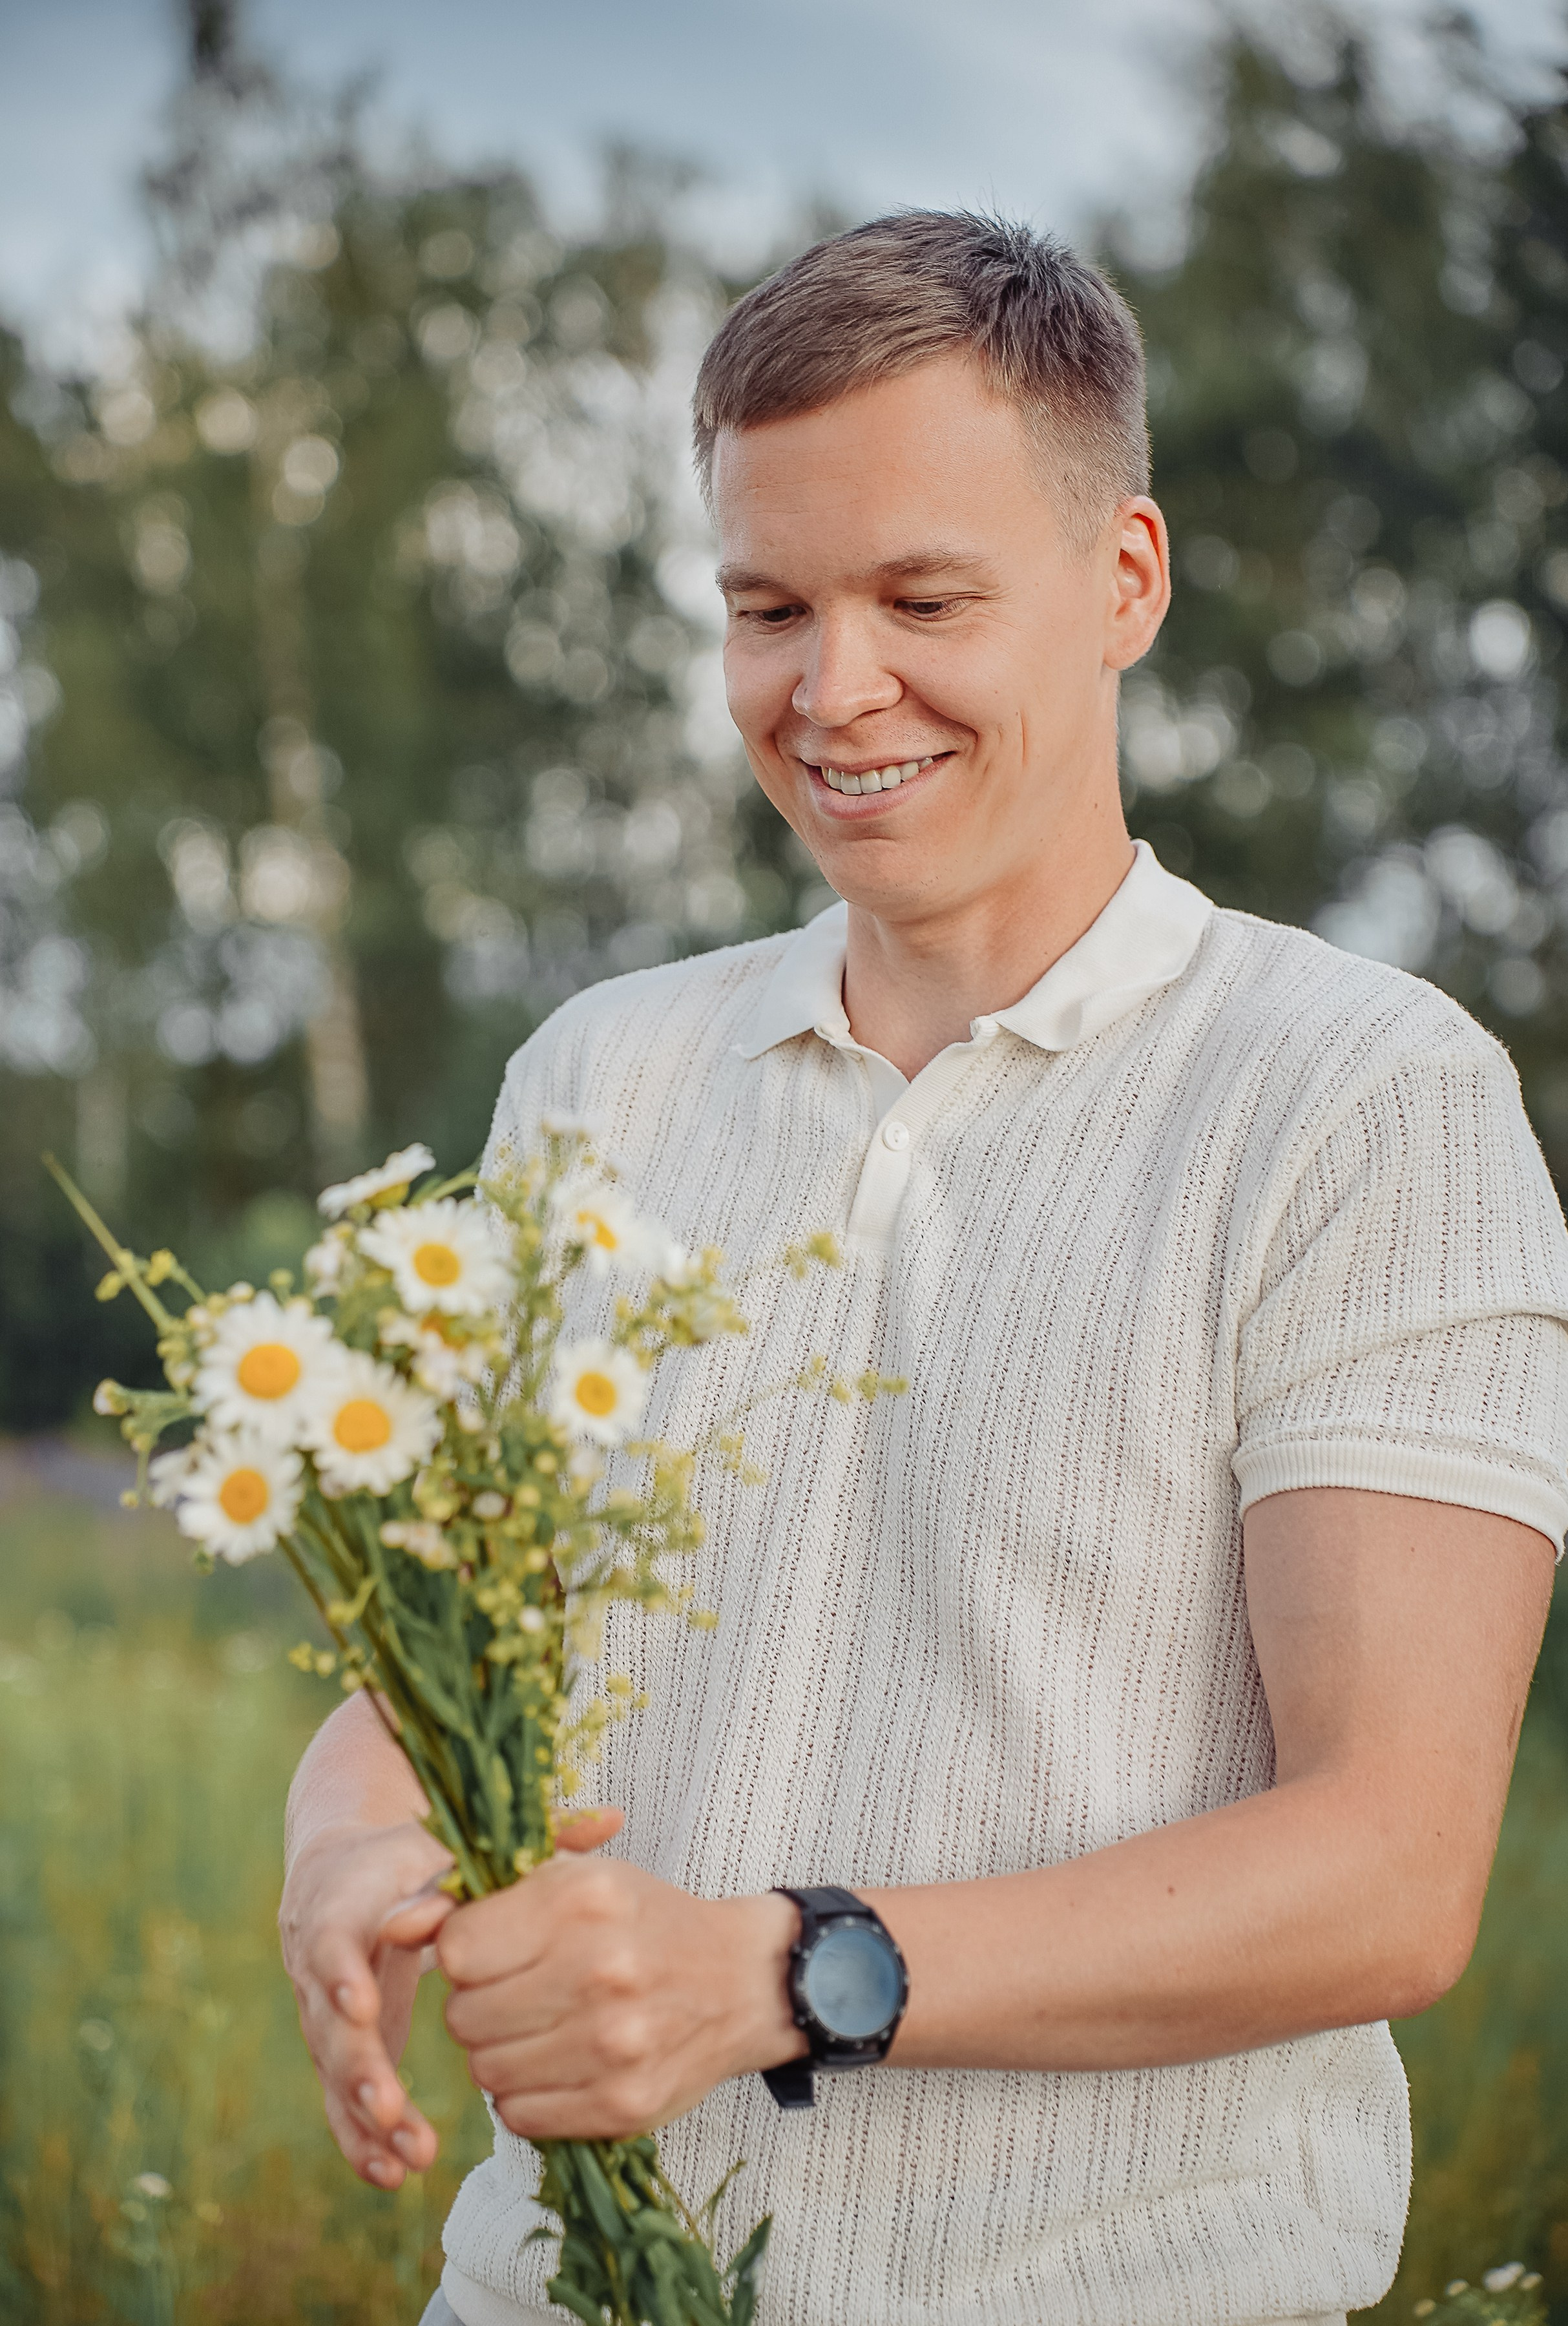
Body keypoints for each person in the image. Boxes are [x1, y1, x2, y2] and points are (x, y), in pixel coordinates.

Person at [279, 213, 1568, 2326]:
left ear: (1124, 582)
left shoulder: (1360, 1101)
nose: (830, 689)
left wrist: (783, 1975)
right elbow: (436, 1660)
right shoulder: (600, 1080)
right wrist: (348, 1849)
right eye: (767, 605)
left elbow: (1389, 1875)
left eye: (922, 598)